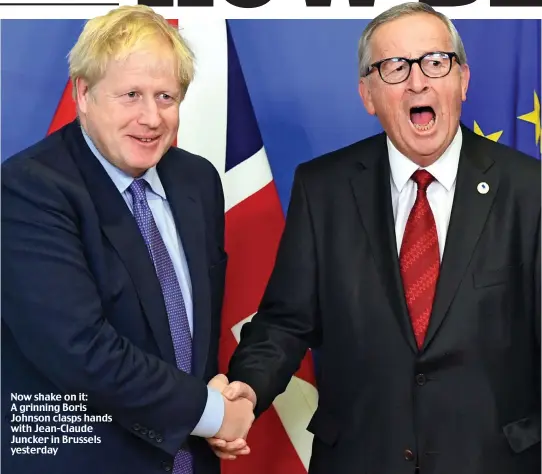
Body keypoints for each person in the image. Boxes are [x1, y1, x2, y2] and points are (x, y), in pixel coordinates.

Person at [212, 3, 541, 473]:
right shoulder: (323, 187)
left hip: (493, 460)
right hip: (359, 457)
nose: (417, 81)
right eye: (394, 67)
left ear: (462, 80)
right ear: (367, 94)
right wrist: (248, 388)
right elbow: (285, 322)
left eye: (435, 61)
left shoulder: (531, 191)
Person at [1, 6, 254, 474]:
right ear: (83, 92)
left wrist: (210, 413)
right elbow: (79, 351)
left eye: (166, 96)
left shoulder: (196, 180)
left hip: (190, 460)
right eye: (131, 95)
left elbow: (192, 336)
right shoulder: (29, 186)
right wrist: (213, 413)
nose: (151, 117)